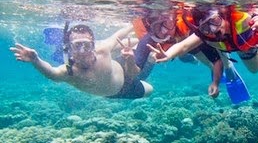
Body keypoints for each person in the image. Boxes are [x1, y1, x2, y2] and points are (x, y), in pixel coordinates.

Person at [149, 4, 258, 93]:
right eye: (207, 27)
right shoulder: (208, 34)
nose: (214, 30)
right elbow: (184, 44)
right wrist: (168, 54)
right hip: (248, 43)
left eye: (215, 22)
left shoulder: (243, 20)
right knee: (255, 69)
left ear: (222, 16)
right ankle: (252, 51)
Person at [10, 24, 153, 99]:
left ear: (93, 44)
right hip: (118, 92)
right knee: (149, 91)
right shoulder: (69, 71)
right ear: (69, 48)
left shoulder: (102, 48)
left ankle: (153, 54)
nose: (83, 50)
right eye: (77, 45)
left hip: (124, 67)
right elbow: (51, 73)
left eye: (87, 44)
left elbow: (119, 35)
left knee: (144, 48)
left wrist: (137, 22)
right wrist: (35, 60)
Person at [132, 8, 224, 99]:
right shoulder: (148, 39)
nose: (164, 32)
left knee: (202, 58)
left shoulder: (185, 28)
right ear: (151, 27)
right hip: (173, 49)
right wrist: (129, 60)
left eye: (168, 25)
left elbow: (185, 46)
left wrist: (216, 82)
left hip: (188, 45)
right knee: (179, 55)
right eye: (157, 28)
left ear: (175, 20)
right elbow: (138, 67)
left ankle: (218, 69)